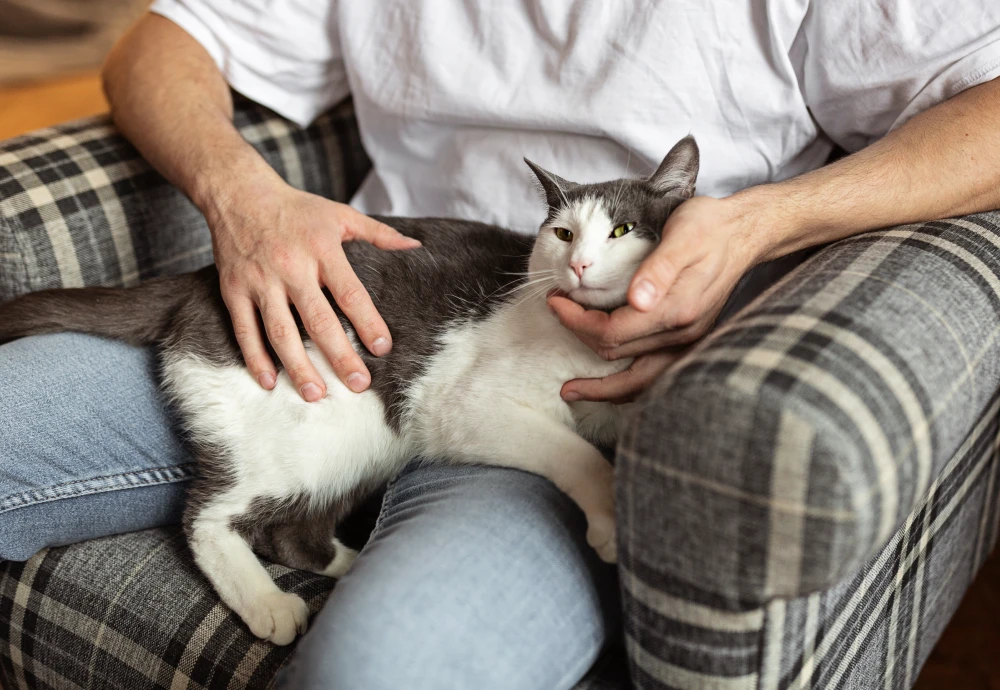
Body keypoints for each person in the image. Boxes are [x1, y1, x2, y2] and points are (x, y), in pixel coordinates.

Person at [1, 2, 999, 688]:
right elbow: (158, 45)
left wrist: (759, 227)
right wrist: (241, 194)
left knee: (378, 672)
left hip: (575, 398)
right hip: (346, 320)